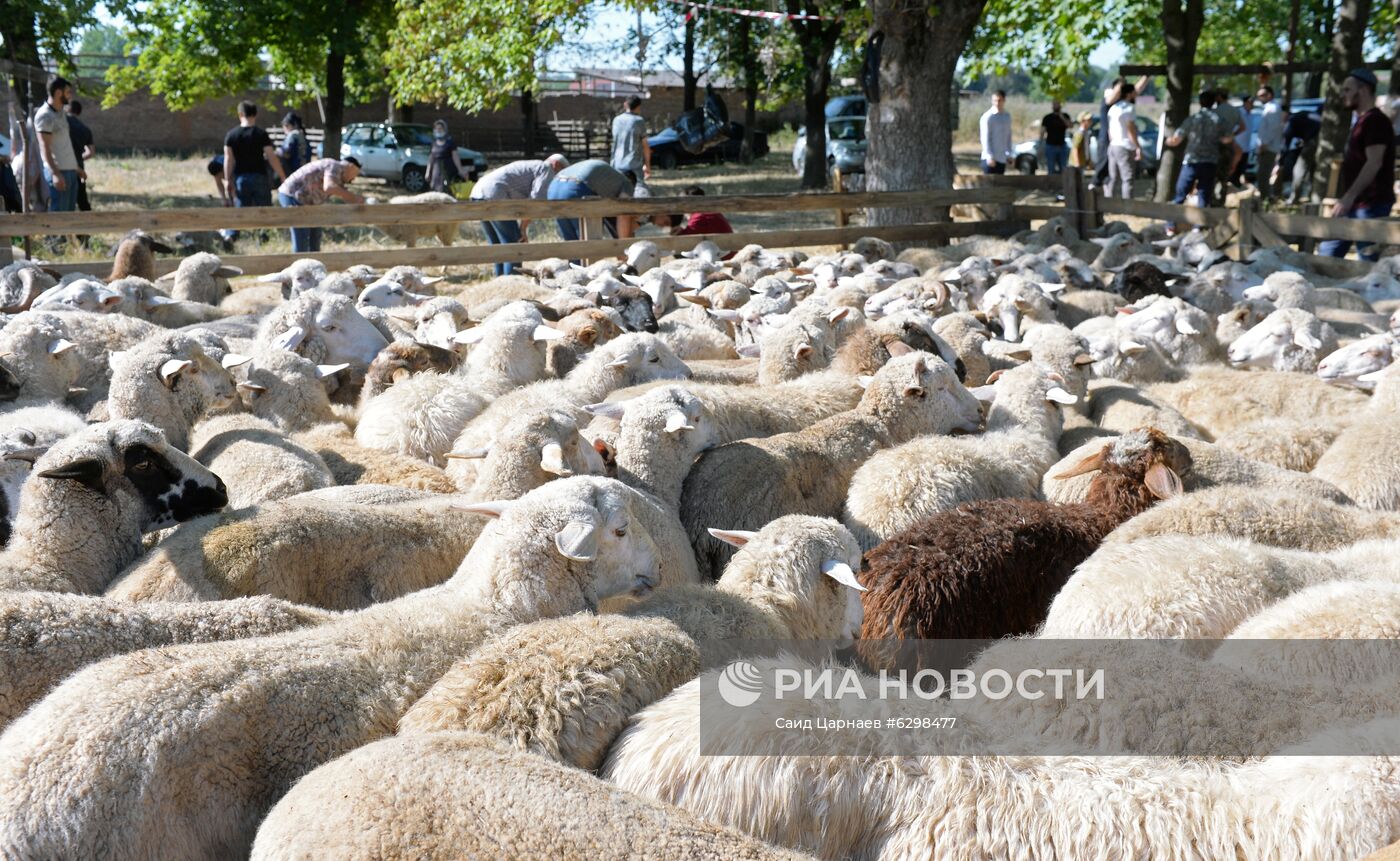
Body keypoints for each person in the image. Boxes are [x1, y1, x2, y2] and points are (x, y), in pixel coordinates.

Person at [1320, 69, 1396, 262]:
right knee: (1326, 256)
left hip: (1371, 205)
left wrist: (1349, 196)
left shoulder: (1375, 121)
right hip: (1355, 204)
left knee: (1370, 267)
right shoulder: (1362, 121)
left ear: (1362, 90)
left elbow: (1374, 162)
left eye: (1347, 90)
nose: (1342, 94)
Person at [468, 154, 569, 276]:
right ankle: (512, 285)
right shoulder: (546, 168)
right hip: (495, 195)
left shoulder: (533, 165)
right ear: (556, 164)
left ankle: (499, 283)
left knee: (497, 246)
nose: (557, 177)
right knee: (513, 246)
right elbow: (535, 202)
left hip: (478, 193)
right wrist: (522, 229)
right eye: (560, 171)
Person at [224, 101, 284, 243]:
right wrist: (282, 175)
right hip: (260, 176)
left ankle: (233, 235)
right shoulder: (261, 134)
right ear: (255, 114)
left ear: (240, 114)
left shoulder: (231, 135)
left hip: (241, 178)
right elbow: (271, 156)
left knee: (240, 208)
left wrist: (227, 179)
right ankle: (263, 235)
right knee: (264, 207)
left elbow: (228, 159)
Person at [276, 156, 364, 253]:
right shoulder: (335, 166)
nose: (354, 178)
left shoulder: (339, 177)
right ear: (351, 167)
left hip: (308, 203)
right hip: (292, 196)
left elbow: (342, 194)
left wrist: (356, 201)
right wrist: (353, 197)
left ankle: (314, 264)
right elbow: (329, 187)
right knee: (301, 235)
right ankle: (300, 265)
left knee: (315, 234)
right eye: (355, 174)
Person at [1165, 91, 1229, 212]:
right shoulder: (1219, 120)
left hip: (1191, 161)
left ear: (1200, 102)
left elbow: (1176, 140)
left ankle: (1171, 225)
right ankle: (1198, 226)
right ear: (1214, 102)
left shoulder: (1192, 119)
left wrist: (1167, 141)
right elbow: (1228, 139)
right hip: (1210, 161)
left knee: (1180, 194)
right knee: (1204, 195)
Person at [546, 158, 634, 243]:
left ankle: (575, 259)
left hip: (553, 187)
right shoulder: (627, 183)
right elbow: (624, 215)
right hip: (576, 187)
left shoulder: (608, 178)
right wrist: (624, 249)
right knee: (587, 244)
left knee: (571, 241)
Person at [34, 76, 79, 213]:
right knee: (59, 216)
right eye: (68, 92)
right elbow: (44, 147)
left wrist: (75, 167)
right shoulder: (45, 116)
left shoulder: (60, 113)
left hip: (70, 170)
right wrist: (56, 174)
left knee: (68, 216)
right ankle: (53, 236)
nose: (70, 96)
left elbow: (64, 143)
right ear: (58, 93)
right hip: (59, 172)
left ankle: (63, 236)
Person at [1095, 75, 1148, 188]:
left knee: (1113, 176)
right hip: (1107, 140)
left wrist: (1146, 77)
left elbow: (1135, 90)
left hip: (1114, 142)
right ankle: (1095, 187)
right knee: (1104, 169)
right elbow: (1130, 127)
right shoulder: (1109, 99)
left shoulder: (1120, 104)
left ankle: (1107, 195)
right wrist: (1121, 82)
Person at [1104, 81, 1142, 200]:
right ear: (1129, 94)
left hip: (1113, 145)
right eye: (1134, 93)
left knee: (1113, 177)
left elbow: (1109, 130)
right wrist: (1137, 146)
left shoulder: (1113, 108)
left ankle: (1109, 202)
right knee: (1128, 178)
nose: (1136, 95)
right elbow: (1130, 129)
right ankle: (1127, 205)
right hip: (1125, 146)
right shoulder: (1129, 108)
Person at [1278, 104, 1320, 204]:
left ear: (1285, 114)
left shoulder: (1291, 121)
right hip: (1321, 138)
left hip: (1315, 140)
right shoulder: (1300, 116)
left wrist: (1280, 163)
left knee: (1298, 169)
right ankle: (1313, 197)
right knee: (1314, 169)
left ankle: (1294, 198)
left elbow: (1285, 145)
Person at [1212, 88, 1246, 194]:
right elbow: (1243, 127)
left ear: (1219, 97)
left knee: (1213, 173)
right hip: (1229, 145)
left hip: (1215, 145)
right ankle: (1221, 198)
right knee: (1224, 175)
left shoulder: (1214, 111)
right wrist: (1232, 135)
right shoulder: (1235, 110)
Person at [1254, 85, 1285, 201]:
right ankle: (1265, 198)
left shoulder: (1273, 108)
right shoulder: (1269, 108)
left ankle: (1266, 199)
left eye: (1262, 95)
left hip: (1268, 148)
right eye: (1259, 96)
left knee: (1263, 175)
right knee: (1262, 175)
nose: (1260, 98)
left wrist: (1264, 144)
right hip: (1265, 147)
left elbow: (1273, 128)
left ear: (1269, 95)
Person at [611, 95, 651, 180]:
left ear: (625, 104)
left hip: (617, 163)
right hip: (634, 166)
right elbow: (645, 146)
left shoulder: (616, 120)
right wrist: (647, 165)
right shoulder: (639, 121)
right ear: (638, 107)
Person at [65, 99, 95, 213]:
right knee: (82, 200)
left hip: (63, 166)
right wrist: (78, 159)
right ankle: (87, 226)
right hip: (79, 168)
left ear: (67, 109)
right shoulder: (85, 129)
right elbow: (91, 152)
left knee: (65, 201)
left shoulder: (63, 124)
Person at [426, 119, 467, 194]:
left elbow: (455, 157)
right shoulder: (433, 144)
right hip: (436, 172)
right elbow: (431, 158)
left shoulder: (450, 143)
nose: (438, 130)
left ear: (445, 130)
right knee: (436, 191)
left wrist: (460, 170)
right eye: (437, 129)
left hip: (447, 171)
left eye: (440, 128)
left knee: (447, 190)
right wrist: (428, 171)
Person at [979, 90, 1012, 175]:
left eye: (999, 100)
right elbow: (985, 138)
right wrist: (989, 156)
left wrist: (1009, 154)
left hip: (1001, 158)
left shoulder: (1007, 116)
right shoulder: (988, 117)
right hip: (990, 159)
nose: (997, 103)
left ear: (1004, 100)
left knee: (1000, 186)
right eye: (995, 100)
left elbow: (1008, 136)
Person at [1040, 100, 1071, 175]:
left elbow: (1070, 126)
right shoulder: (1047, 118)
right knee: (1050, 167)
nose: (1056, 106)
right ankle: (1051, 185)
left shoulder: (1065, 116)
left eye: (1058, 104)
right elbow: (1042, 131)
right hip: (1050, 145)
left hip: (1062, 145)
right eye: (1055, 104)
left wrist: (1062, 117)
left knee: (1063, 167)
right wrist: (1041, 144)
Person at [277, 112, 312, 177]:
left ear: (289, 125)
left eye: (284, 125)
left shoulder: (292, 135)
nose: (283, 128)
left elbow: (286, 153)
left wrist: (277, 151)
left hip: (294, 173)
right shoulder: (303, 136)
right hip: (305, 172)